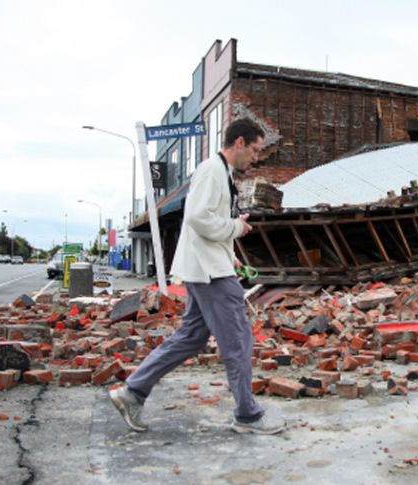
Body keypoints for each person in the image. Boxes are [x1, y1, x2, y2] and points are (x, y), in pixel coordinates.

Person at [109, 118, 286, 435]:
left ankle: (132, 393)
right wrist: (236, 227)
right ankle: (248, 416)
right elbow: (197, 217)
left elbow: (208, 222)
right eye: (255, 150)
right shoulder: (212, 171)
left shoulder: (219, 172)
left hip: (208, 268)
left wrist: (232, 252)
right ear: (240, 143)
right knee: (238, 342)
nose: (256, 158)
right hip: (210, 274)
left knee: (191, 338)